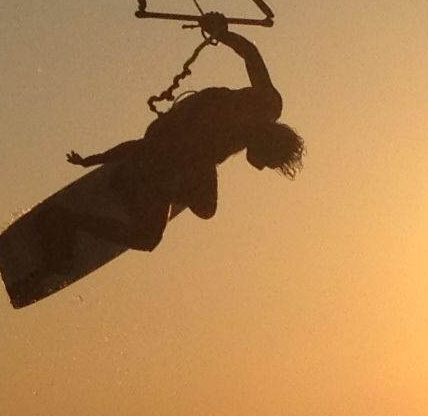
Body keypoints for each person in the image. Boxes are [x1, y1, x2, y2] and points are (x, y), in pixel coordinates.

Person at [64, 14, 302, 250]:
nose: (260, 167)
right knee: (147, 238)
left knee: (206, 209)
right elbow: (250, 54)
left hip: (187, 156)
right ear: (266, 143)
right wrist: (222, 33)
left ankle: (144, 186)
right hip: (168, 141)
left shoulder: (268, 108)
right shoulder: (260, 106)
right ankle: (80, 213)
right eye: (266, 161)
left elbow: (251, 54)